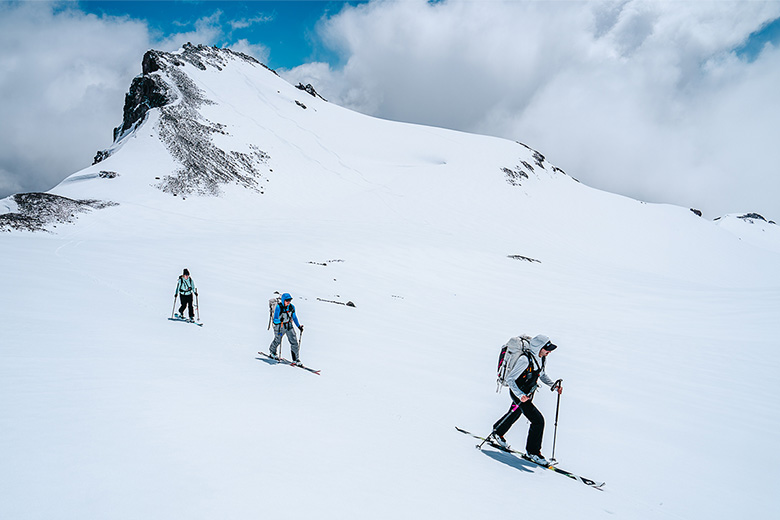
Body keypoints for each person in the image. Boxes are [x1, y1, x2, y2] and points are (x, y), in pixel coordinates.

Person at [489, 334, 563, 465]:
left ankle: (497, 431)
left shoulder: (541, 358)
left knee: (515, 412)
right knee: (538, 421)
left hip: (527, 393)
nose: (549, 351)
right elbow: (510, 379)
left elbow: (542, 374)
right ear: (539, 347)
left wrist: (553, 386)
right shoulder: (525, 360)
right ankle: (533, 452)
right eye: (547, 349)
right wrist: (520, 395)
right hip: (519, 393)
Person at [269, 292, 304, 365]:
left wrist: (299, 326)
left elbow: (294, 317)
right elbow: (275, 320)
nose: (288, 302)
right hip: (280, 326)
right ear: (283, 300)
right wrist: (280, 320)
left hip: (289, 325)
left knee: (294, 342)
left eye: (290, 300)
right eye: (287, 300)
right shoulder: (279, 307)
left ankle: (296, 359)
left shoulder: (292, 307)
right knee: (277, 340)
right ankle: (272, 352)